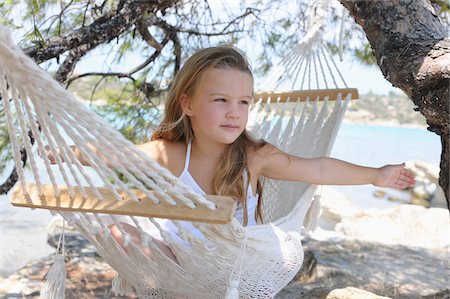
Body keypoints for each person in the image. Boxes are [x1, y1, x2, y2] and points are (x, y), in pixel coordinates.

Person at [47, 46, 416, 262]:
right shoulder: (174, 153)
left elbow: (316, 168)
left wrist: (375, 174)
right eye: (220, 100)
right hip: (184, 259)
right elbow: (117, 153)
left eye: (244, 101)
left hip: (238, 263)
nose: (234, 112)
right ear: (187, 104)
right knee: (116, 229)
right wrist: (67, 153)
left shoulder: (255, 156)